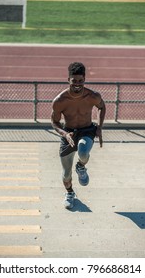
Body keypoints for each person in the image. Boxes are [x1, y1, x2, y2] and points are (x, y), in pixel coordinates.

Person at [51, 62, 106, 209]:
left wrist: (99, 127)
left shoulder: (92, 96)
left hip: (87, 130)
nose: (77, 84)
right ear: (68, 79)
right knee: (66, 174)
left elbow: (102, 106)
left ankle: (81, 167)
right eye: (74, 81)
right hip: (68, 133)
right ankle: (70, 193)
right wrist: (64, 134)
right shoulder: (59, 101)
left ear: (85, 79)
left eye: (80, 81)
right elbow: (54, 122)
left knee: (83, 150)